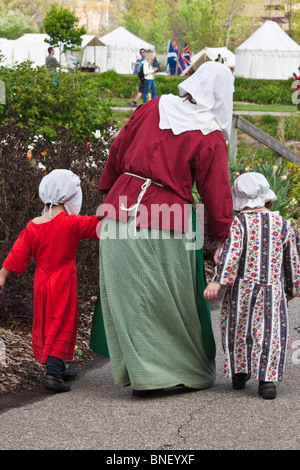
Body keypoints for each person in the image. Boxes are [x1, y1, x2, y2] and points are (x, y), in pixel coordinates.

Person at [90, 61, 235, 398]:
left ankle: (141, 373)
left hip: (117, 212)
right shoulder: (209, 135)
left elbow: (117, 148)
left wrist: (110, 189)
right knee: (170, 301)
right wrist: (226, 237)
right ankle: (160, 374)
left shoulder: (152, 106)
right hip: (166, 220)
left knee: (130, 298)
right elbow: (216, 192)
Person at [0, 170, 99, 393]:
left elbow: (18, 252)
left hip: (42, 284)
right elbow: (97, 226)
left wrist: (3, 274)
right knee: (62, 322)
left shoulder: (33, 225)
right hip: (63, 281)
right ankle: (53, 374)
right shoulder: (70, 223)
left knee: (47, 322)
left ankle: (60, 366)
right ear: (71, 197)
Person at [203, 172, 300, 400]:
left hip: (242, 290)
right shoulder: (283, 225)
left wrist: (218, 280)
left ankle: (240, 372)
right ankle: (267, 381)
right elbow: (293, 260)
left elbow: (231, 253)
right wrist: (292, 289)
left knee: (239, 329)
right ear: (267, 197)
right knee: (270, 333)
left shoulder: (239, 223)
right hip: (272, 290)